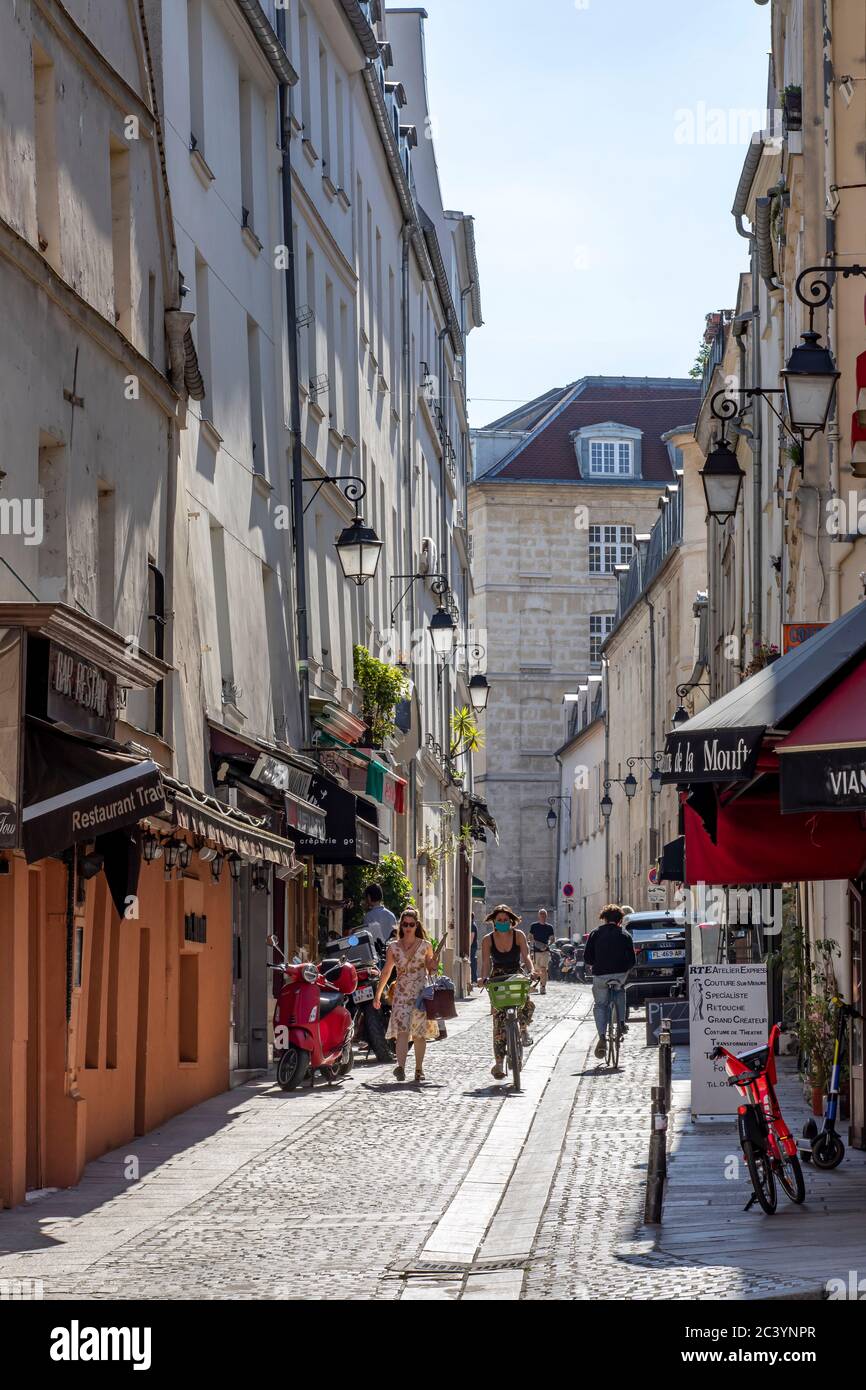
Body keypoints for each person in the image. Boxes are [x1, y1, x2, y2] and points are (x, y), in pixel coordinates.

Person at [373, 906, 441, 1083]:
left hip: (420, 995)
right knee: (402, 1033)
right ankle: (401, 1067)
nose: (408, 927)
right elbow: (386, 972)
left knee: (419, 1034)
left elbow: (431, 971)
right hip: (401, 995)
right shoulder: (393, 947)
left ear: (416, 925)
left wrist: (434, 964)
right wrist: (378, 995)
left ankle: (419, 1069)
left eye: (411, 924)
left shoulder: (426, 946)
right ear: (401, 925)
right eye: (405, 924)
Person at [479, 904, 535, 1080]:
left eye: (505, 920)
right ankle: (499, 1063)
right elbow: (486, 962)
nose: (502, 923)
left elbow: (526, 957)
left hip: (515, 974)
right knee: (498, 1021)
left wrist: (531, 971)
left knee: (526, 1001)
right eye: (499, 920)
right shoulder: (488, 940)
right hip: (497, 977)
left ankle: (524, 1028)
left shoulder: (518, 935)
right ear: (494, 922)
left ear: (511, 921)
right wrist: (483, 978)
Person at [583, 904, 636, 1059]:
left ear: (604, 919)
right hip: (619, 974)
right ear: (620, 920)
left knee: (600, 1005)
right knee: (620, 990)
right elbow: (632, 960)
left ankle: (601, 1036)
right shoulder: (625, 934)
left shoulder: (595, 934)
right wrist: (625, 969)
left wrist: (596, 964)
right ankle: (621, 1023)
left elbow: (587, 958)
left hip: (600, 975)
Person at [526, 907, 555, 994]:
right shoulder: (534, 926)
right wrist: (534, 942)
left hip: (545, 951)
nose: (543, 916)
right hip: (536, 951)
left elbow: (552, 939)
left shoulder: (549, 927)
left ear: (546, 916)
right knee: (536, 970)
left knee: (543, 969)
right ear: (538, 916)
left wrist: (547, 945)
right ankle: (532, 986)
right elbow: (529, 937)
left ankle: (543, 987)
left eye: (544, 914)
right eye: (541, 914)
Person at [362, 882, 397, 949]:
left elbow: (366, 938)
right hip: (390, 951)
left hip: (375, 952)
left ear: (369, 897)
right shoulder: (391, 915)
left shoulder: (368, 916)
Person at [470, 914, 479, 985]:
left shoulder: (472, 926)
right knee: (473, 963)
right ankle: (474, 980)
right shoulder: (473, 925)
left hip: (472, 947)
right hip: (473, 946)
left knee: (472, 963)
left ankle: (474, 980)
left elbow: (471, 938)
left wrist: (468, 947)